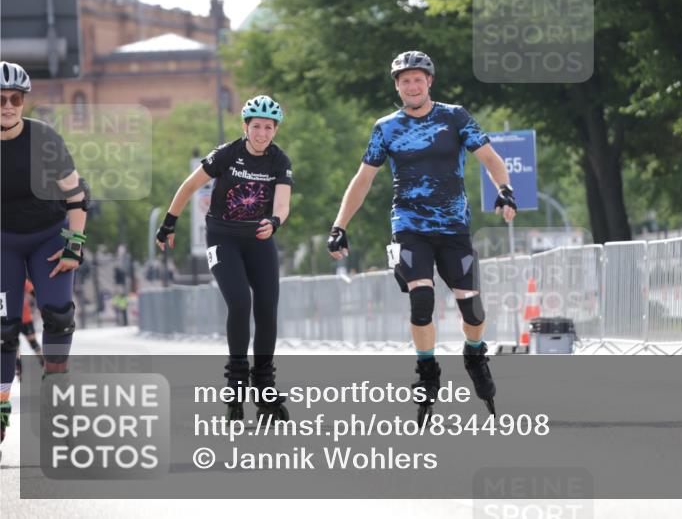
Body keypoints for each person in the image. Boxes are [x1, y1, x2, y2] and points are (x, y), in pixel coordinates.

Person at [326, 50, 517, 421]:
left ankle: (474, 353)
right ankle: (427, 370)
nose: (412, 86)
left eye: (418, 79)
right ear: (397, 86)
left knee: (472, 309)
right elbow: (363, 179)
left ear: (429, 82)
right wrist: (339, 226)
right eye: (404, 81)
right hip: (409, 225)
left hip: (453, 227)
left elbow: (490, 157)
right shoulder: (386, 128)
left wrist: (505, 189)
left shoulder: (455, 117)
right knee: (421, 300)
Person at [155, 95, 293, 422]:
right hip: (222, 238)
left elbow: (283, 204)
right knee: (240, 302)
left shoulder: (279, 160)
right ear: (246, 127)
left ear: (275, 130)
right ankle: (235, 383)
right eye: (256, 126)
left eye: (268, 128)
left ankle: (264, 385)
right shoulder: (226, 154)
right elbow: (189, 186)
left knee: (267, 307)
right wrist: (168, 223)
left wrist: (274, 222)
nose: (262, 133)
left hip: (259, 240)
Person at [1, 61, 90, 446]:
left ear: (24, 102)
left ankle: (56, 387)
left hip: (49, 236)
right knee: (4, 329)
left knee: (57, 314)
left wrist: (74, 245)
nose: (7, 106)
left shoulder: (45, 139)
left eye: (15, 99)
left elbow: (76, 195)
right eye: (1, 99)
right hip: (3, 240)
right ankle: (2, 408)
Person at [14, 281, 45, 380]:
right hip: (12, 320)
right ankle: (19, 373)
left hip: (25, 318)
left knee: (33, 343)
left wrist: (41, 306)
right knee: (14, 347)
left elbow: (34, 292)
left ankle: (45, 366)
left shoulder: (21, 280)